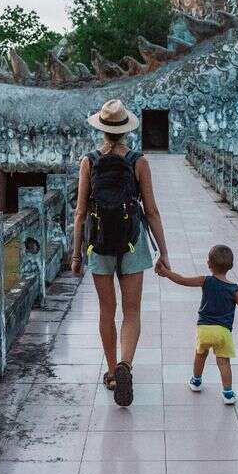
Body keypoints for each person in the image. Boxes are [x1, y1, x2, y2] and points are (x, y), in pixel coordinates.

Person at [70, 99, 171, 407]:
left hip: (99, 243)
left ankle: (113, 372)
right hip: (132, 240)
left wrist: (76, 256)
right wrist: (163, 253)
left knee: (106, 311)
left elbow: (80, 213)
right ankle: (127, 364)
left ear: (102, 129)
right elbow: (151, 211)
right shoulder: (138, 161)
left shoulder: (89, 161)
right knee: (132, 312)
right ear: (126, 130)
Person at [157, 245, 238, 405]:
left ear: (209, 264)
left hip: (204, 329)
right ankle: (228, 394)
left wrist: (166, 273)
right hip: (223, 332)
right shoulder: (233, 289)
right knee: (223, 362)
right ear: (230, 266)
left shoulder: (205, 280)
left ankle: (196, 381)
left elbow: (182, 280)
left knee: (200, 354)